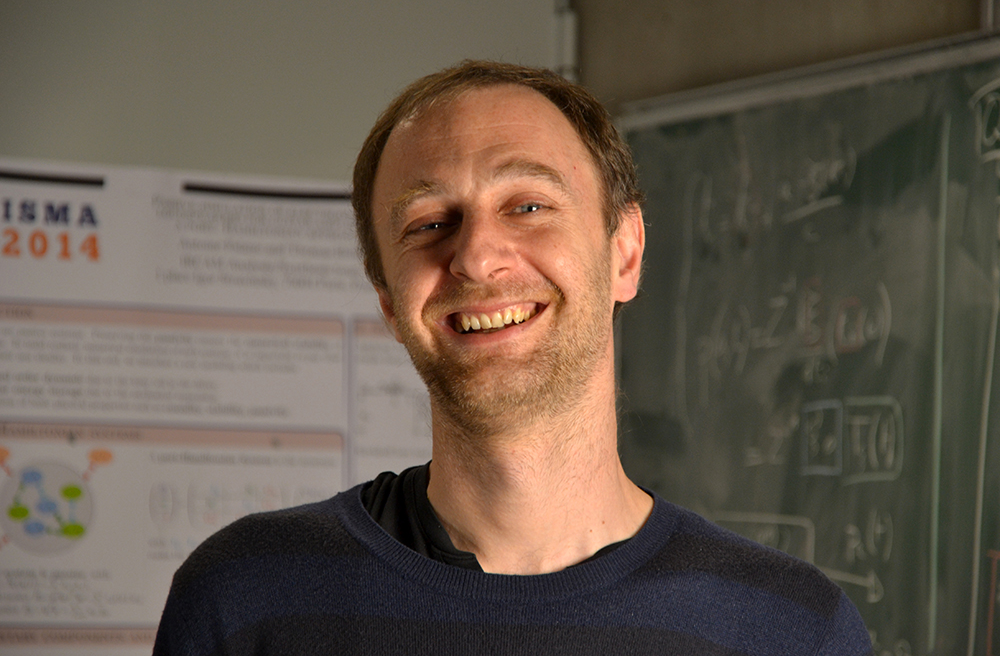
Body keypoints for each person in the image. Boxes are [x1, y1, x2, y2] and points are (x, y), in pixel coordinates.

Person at [153, 60, 873, 655]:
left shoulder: (793, 631)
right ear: (389, 303)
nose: (475, 256)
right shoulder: (244, 598)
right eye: (428, 223)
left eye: (527, 205)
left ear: (625, 253)